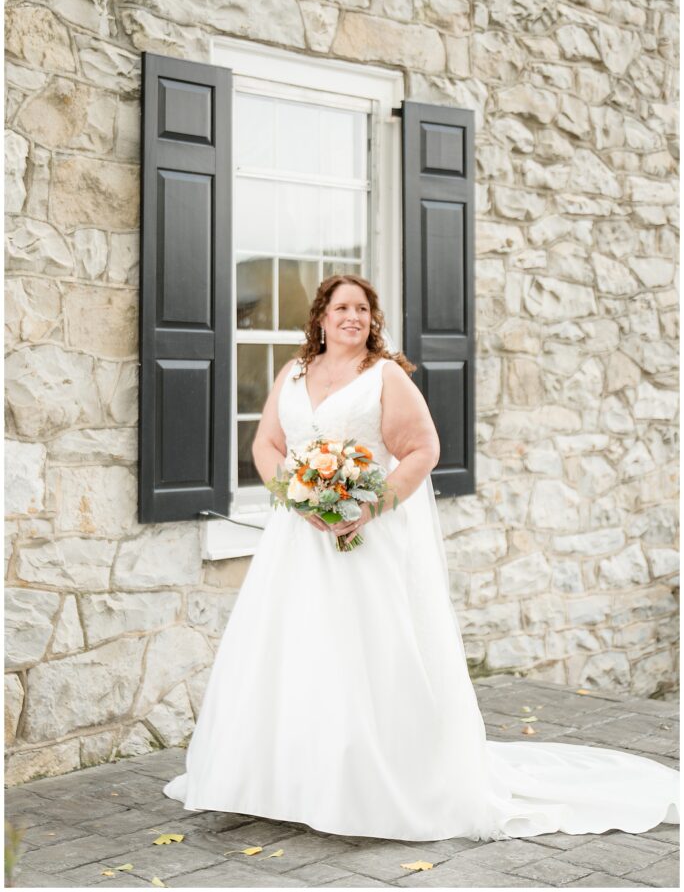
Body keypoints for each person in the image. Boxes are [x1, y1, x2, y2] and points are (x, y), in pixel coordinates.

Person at [164, 274, 680, 842]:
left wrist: (368, 507)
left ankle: (371, 782)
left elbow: (423, 448)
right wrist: (292, 495)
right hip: (297, 538)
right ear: (320, 318)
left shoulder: (384, 376)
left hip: (363, 536)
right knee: (291, 648)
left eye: (363, 308)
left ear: (372, 320)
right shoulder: (294, 373)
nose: (352, 317)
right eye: (341, 308)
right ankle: (283, 779)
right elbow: (266, 443)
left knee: (363, 653)